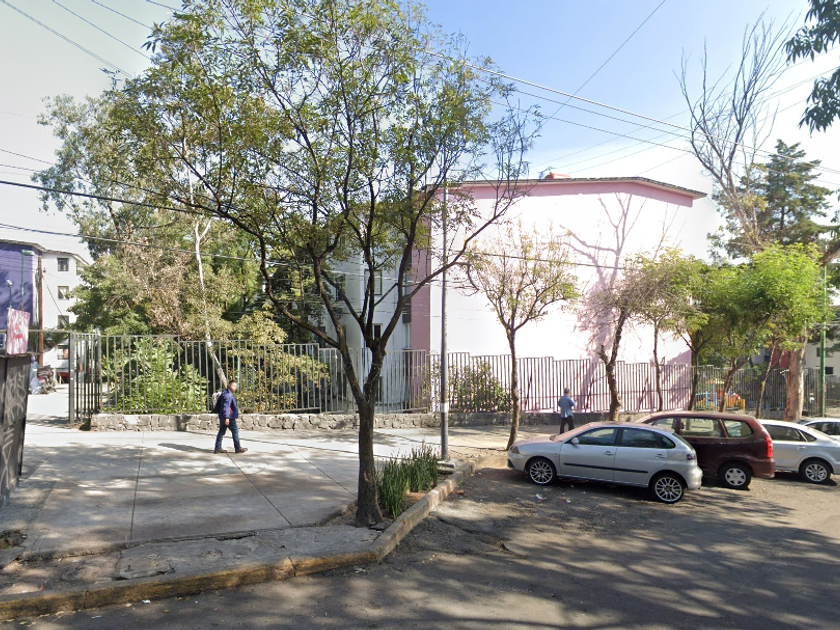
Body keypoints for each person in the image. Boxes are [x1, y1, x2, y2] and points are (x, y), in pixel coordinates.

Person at [214, 380, 248, 454]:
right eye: (233, 386)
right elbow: (226, 407)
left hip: (223, 416)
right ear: (229, 386)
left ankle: (217, 448)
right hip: (229, 417)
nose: (235, 387)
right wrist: (227, 418)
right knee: (235, 430)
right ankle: (237, 447)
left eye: (236, 386)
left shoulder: (225, 393)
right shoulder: (228, 395)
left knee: (221, 432)